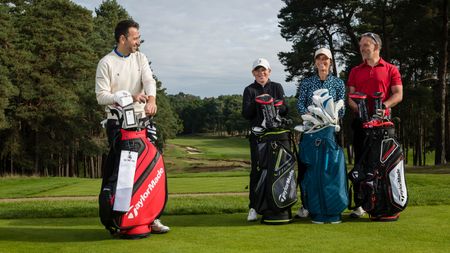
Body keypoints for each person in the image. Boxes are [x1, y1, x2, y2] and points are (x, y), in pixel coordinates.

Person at [95, 19, 169, 233]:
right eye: (135, 38)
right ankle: (117, 219)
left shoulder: (140, 57)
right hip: (117, 123)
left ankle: (152, 216)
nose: (139, 41)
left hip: (143, 121)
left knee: (153, 167)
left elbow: (149, 81)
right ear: (122, 39)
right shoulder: (106, 62)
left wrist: (152, 100)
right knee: (122, 172)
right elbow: (101, 96)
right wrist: (129, 96)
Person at [347, 32, 403, 218]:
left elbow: (398, 94)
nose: (362, 48)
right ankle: (361, 204)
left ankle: (381, 201)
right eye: (361, 45)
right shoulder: (356, 70)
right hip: (361, 123)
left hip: (383, 124)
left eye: (366, 44)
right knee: (360, 163)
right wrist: (359, 111)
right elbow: (350, 97)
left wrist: (384, 106)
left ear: (377, 47)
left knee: (381, 164)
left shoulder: (390, 69)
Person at [295, 48, 346, 220]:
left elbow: (342, 108)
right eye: (319, 59)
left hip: (330, 133)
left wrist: (331, 118)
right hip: (310, 132)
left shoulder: (338, 83)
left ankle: (330, 204)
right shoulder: (307, 83)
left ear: (330, 62)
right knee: (306, 168)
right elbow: (300, 104)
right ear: (315, 62)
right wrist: (311, 118)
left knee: (329, 170)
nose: (322, 62)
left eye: (326, 59)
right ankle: (307, 204)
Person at [242, 58, 288, 221]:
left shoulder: (276, 87)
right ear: (253, 73)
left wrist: (273, 104)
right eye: (257, 70)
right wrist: (259, 102)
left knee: (277, 170)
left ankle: (277, 203)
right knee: (257, 170)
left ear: (269, 71)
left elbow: (285, 109)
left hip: (276, 137)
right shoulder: (249, 90)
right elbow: (246, 113)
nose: (261, 73)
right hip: (258, 137)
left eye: (264, 70)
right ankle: (254, 207)